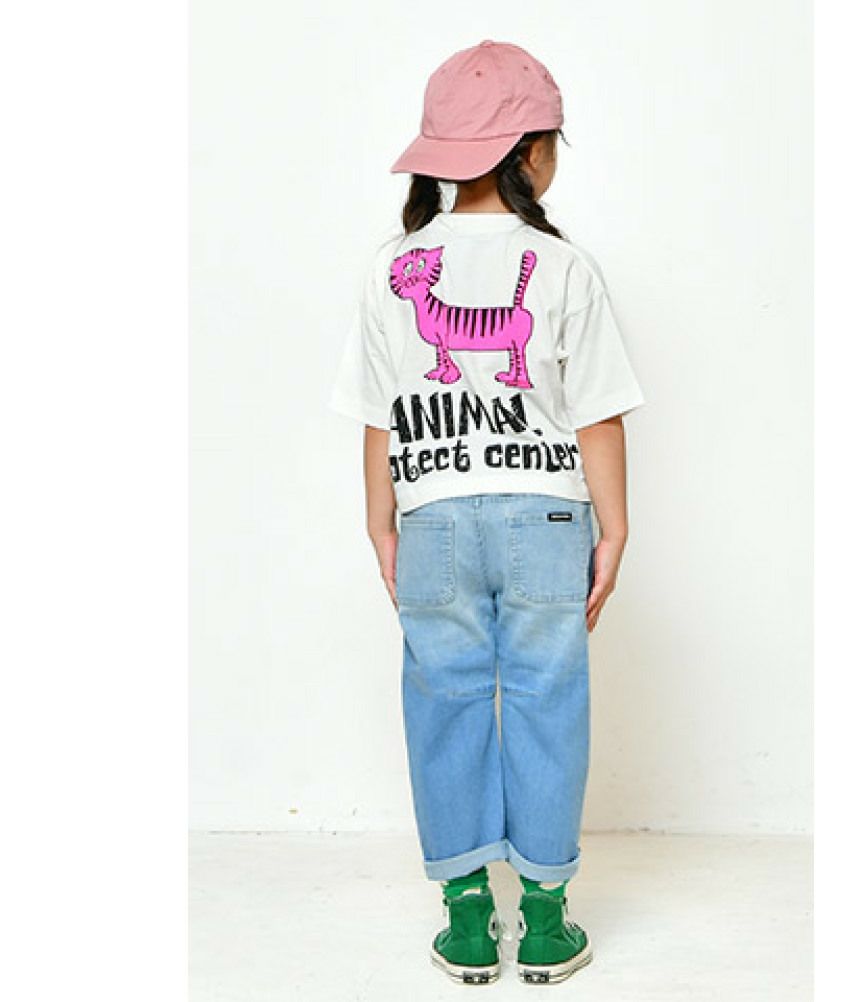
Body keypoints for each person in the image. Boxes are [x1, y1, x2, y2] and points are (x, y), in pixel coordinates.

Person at [329, 39, 645, 986]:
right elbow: (595, 413)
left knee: (445, 703)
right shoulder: (563, 267)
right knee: (550, 702)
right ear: (534, 153)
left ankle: (467, 915)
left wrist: (382, 522)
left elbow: (380, 417)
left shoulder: (391, 267)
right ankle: (545, 917)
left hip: (431, 521)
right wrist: (614, 527)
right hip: (547, 520)